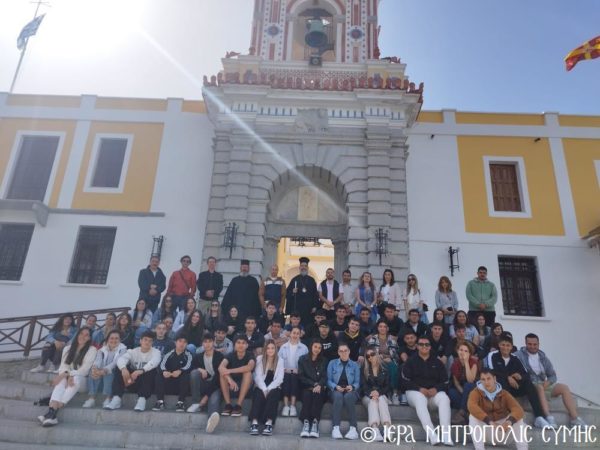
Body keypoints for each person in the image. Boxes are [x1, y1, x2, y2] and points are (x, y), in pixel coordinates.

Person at [516, 333, 587, 426]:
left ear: (538, 344)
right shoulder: (518, 355)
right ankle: (548, 417)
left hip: (543, 383)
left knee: (564, 387)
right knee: (540, 387)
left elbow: (552, 375)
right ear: (525, 344)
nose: (532, 346)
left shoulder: (543, 357)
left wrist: (548, 382)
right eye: (530, 344)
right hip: (530, 384)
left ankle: (575, 418)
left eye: (535, 344)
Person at [485, 332, 551, 428]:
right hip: (498, 388)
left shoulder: (515, 358)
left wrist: (520, 376)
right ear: (499, 345)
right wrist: (508, 377)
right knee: (502, 382)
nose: (505, 348)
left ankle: (539, 417)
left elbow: (526, 374)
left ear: (511, 347)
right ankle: (512, 419)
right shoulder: (492, 355)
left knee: (528, 384)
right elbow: (491, 372)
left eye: (508, 345)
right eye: (503, 345)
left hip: (513, 388)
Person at [37, 327, 97, 426]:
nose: (83, 337)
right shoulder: (67, 348)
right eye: (81, 333)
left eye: (86, 335)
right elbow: (63, 367)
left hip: (82, 382)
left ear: (89, 338)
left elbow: (85, 370)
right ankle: (52, 415)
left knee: (75, 378)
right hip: (69, 379)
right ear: (77, 335)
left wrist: (69, 375)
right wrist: (67, 376)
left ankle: (52, 411)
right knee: (61, 380)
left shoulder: (92, 350)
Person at [400, 336, 452, 446]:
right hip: (415, 393)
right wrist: (419, 389)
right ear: (417, 346)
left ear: (430, 347)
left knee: (444, 398)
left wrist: (436, 389)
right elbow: (404, 381)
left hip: (433, 394)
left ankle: (446, 435)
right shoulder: (411, 361)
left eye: (427, 344)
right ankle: (432, 434)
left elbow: (446, 382)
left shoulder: (437, 362)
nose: (424, 346)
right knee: (420, 398)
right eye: (421, 344)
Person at [468, 369, 528, 450]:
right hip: (487, 433)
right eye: (483, 379)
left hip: (503, 431)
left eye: (489, 378)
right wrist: (489, 422)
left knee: (518, 418)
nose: (486, 382)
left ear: (494, 379)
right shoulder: (475, 392)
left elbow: (518, 409)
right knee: (472, 416)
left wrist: (509, 421)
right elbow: (471, 406)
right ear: (480, 381)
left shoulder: (504, 393)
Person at [105, 330, 161, 411]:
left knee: (151, 371)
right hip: (131, 381)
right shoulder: (133, 351)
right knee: (120, 367)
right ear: (140, 341)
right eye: (145, 340)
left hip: (147, 384)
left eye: (150, 341)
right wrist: (123, 369)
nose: (147, 342)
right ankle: (116, 398)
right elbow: (121, 359)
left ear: (152, 343)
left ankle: (142, 400)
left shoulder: (156, 352)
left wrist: (141, 370)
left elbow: (155, 362)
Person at [188, 332, 224, 434]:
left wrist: (206, 397)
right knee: (194, 372)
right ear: (202, 343)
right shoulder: (198, 357)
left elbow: (218, 378)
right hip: (203, 385)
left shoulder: (220, 357)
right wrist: (200, 369)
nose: (207, 344)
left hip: (216, 386)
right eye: (205, 342)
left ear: (213, 342)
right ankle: (196, 402)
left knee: (214, 400)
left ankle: (210, 422)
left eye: (210, 341)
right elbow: (190, 368)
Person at [83, 330, 126, 409]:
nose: (114, 340)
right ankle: (92, 398)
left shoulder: (123, 349)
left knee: (109, 371)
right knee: (92, 370)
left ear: (120, 340)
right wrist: (95, 369)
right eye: (111, 338)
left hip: (114, 374)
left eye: (116, 338)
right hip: (101, 375)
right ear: (107, 339)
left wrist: (104, 370)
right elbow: (98, 360)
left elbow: (116, 363)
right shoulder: (102, 349)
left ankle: (108, 398)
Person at [248, 340, 284, 436]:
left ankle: (269, 423)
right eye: (268, 348)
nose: (270, 350)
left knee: (273, 394)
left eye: (272, 348)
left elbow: (280, 378)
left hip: (274, 385)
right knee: (258, 393)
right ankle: (254, 422)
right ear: (265, 349)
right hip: (261, 384)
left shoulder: (280, 360)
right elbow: (257, 377)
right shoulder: (260, 359)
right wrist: (264, 389)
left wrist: (269, 389)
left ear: (275, 349)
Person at [327, 343, 361, 440]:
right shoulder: (332, 363)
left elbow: (358, 382)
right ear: (338, 353)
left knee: (348, 396)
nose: (343, 353)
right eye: (341, 351)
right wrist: (335, 386)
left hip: (350, 390)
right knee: (338, 396)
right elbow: (328, 380)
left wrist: (352, 387)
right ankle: (336, 427)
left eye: (345, 351)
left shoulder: (355, 365)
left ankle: (353, 428)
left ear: (349, 351)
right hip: (336, 390)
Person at [152, 335, 193, 412]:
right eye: (180, 341)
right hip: (169, 383)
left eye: (184, 342)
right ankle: (160, 401)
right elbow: (162, 365)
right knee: (159, 375)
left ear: (187, 344)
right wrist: (164, 371)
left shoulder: (189, 354)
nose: (182, 344)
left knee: (186, 376)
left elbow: (189, 365)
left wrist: (180, 371)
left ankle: (181, 402)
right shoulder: (169, 353)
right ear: (175, 342)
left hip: (181, 385)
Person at [219, 334, 255, 417]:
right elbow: (220, 367)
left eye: (243, 343)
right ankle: (228, 405)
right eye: (238, 342)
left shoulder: (250, 355)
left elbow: (250, 366)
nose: (241, 345)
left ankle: (238, 406)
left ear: (247, 345)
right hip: (232, 386)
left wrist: (230, 370)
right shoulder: (230, 355)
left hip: (246, 387)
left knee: (247, 372)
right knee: (222, 374)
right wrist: (229, 379)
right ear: (234, 345)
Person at [364, 319, 400, 405]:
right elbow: (369, 352)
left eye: (384, 327)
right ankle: (387, 393)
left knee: (392, 366)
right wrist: (381, 357)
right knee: (388, 366)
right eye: (380, 326)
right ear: (378, 328)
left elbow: (396, 355)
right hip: (375, 361)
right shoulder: (372, 339)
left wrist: (388, 357)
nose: (382, 328)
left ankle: (394, 393)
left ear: (387, 328)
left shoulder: (392, 339)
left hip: (390, 361)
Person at [298, 340, 327, 438]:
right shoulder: (302, 359)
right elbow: (301, 376)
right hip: (306, 387)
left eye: (319, 348)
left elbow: (325, 376)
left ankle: (315, 422)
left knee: (317, 395)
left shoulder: (324, 360)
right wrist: (314, 384)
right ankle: (306, 422)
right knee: (307, 395)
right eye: (315, 347)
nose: (317, 349)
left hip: (319, 388)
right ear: (311, 347)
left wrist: (319, 385)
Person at [361, 347, 392, 442]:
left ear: (377, 354)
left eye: (372, 354)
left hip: (382, 395)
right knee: (373, 401)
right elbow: (363, 386)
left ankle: (387, 428)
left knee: (381, 399)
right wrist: (371, 393)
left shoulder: (385, 368)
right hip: (367, 396)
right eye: (368, 356)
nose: (370, 357)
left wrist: (379, 392)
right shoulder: (364, 369)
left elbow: (388, 386)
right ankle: (375, 429)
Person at [278, 327, 308, 417]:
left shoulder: (304, 348)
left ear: (300, 335)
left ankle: (293, 406)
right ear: (290, 334)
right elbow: (279, 363)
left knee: (294, 377)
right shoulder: (283, 347)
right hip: (285, 374)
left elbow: (306, 366)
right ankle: (286, 406)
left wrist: (297, 371)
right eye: (294, 333)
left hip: (298, 375)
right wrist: (287, 370)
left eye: (297, 333)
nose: (295, 335)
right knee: (288, 377)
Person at [448, 341, 478, 425]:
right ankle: (466, 414)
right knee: (451, 392)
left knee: (468, 385)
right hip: (463, 392)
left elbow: (470, 380)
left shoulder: (473, 363)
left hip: (472, 391)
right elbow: (456, 383)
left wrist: (466, 362)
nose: (463, 352)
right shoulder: (455, 364)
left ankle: (461, 412)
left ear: (469, 353)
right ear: (457, 351)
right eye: (461, 350)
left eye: (466, 351)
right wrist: (463, 393)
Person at [285, 257, 319, 327]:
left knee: (308, 326)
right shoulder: (294, 279)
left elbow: (315, 294)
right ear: (299, 267)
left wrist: (315, 306)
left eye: (305, 266)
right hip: (297, 308)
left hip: (308, 309)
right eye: (302, 266)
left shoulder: (312, 280)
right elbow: (287, 293)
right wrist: (292, 292)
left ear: (307, 268)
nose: (303, 268)